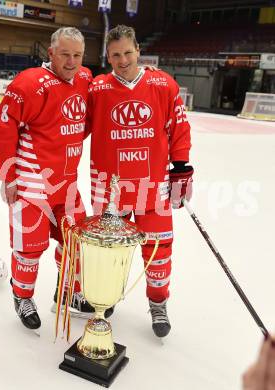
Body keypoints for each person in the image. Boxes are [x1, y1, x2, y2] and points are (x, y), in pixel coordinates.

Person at [0, 27, 101, 330]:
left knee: (75, 242)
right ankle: (22, 296)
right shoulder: (28, 83)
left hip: (67, 186)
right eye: (65, 54)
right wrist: (8, 176)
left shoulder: (85, 79)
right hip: (32, 186)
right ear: (50, 53)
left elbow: (87, 118)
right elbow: (1, 128)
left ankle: (67, 294)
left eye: (77, 55)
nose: (71, 62)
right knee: (29, 249)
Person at [87, 25, 193, 337]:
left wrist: (181, 165)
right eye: (115, 54)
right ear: (107, 56)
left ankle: (158, 304)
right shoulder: (97, 89)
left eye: (128, 52)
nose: (122, 60)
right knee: (109, 253)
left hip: (153, 189)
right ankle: (105, 299)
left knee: (159, 252)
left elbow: (179, 126)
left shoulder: (163, 83)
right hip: (110, 190)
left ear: (138, 51)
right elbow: (73, 125)